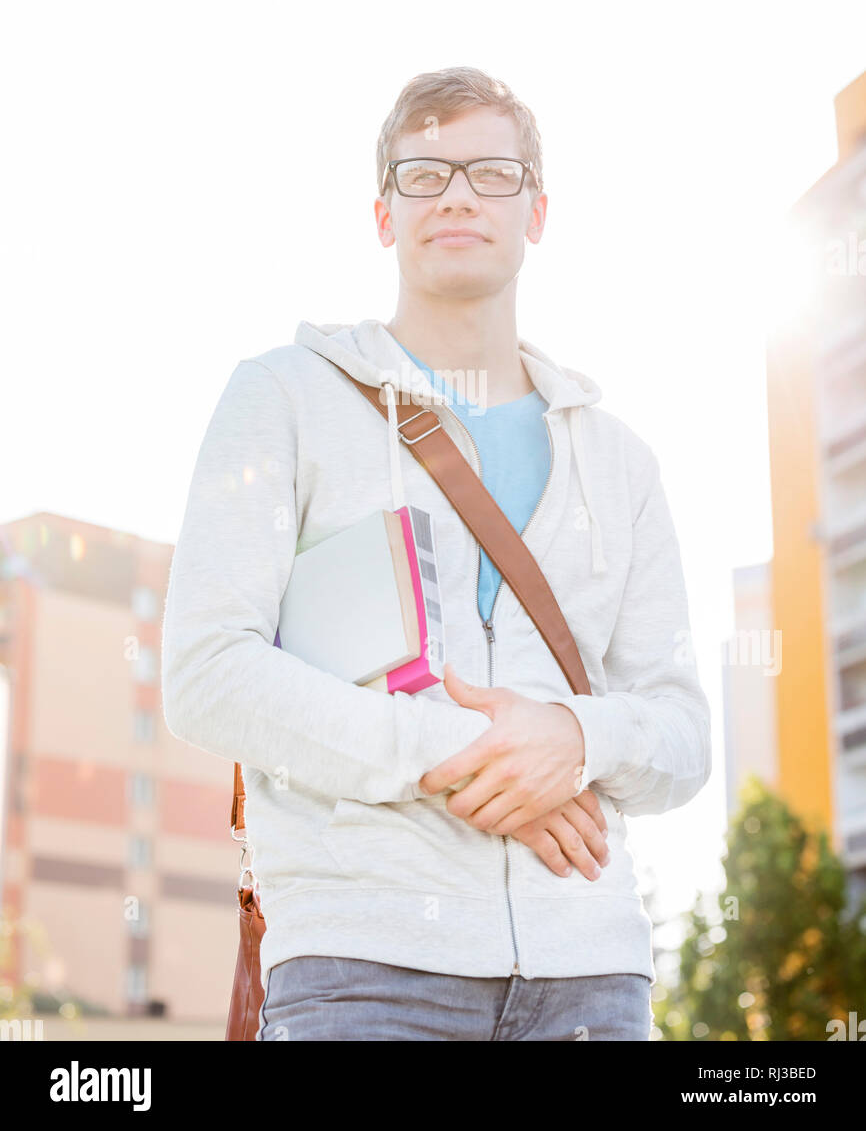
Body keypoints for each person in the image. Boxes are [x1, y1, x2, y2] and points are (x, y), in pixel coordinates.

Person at [161, 65, 711, 1041]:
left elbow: (678, 733)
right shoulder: (283, 399)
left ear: (537, 210)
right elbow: (208, 674)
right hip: (360, 970)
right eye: (424, 174)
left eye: (491, 172)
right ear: (382, 214)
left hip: (593, 978)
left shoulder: (620, 460)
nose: (457, 193)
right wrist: (464, 755)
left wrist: (575, 740)